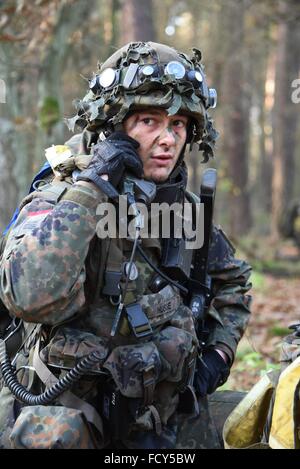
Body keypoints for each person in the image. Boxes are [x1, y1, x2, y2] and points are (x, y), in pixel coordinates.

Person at [0, 41, 252, 449]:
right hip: (70, 412)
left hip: (159, 411)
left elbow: (232, 283)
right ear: (115, 127)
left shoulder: (181, 211)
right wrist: (93, 187)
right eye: (149, 121)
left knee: (263, 421)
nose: (167, 139)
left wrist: (218, 355)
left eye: (177, 125)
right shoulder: (62, 198)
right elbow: (29, 295)